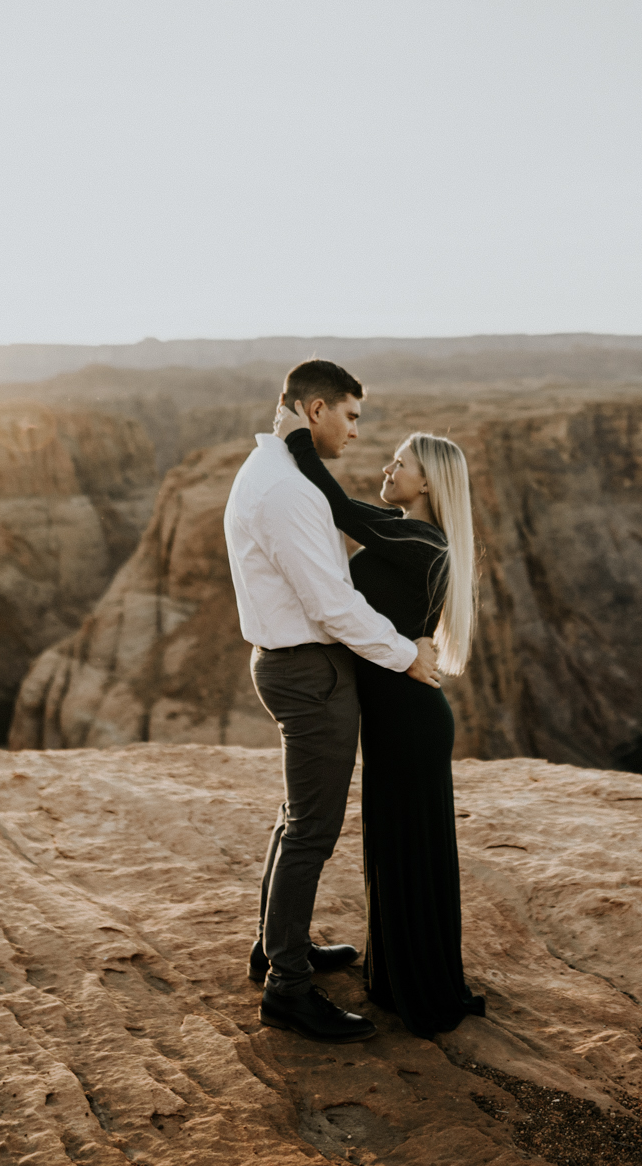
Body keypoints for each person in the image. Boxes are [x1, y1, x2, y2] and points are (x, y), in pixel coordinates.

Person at [224, 359, 443, 1045]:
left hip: (290, 661)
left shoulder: (270, 470)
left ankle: (276, 948)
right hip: (308, 671)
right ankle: (288, 989)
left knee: (297, 818)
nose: (357, 431)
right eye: (351, 415)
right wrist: (412, 656)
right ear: (314, 409)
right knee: (313, 830)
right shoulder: (287, 492)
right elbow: (333, 604)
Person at [275, 399, 488, 1038]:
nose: (388, 470)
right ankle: (406, 974)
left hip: (409, 719)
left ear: (427, 484)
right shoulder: (415, 537)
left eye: (401, 464)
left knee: (408, 846)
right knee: (400, 845)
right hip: (400, 714)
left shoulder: (419, 537)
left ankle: (420, 984)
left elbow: (339, 507)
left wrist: (297, 441)